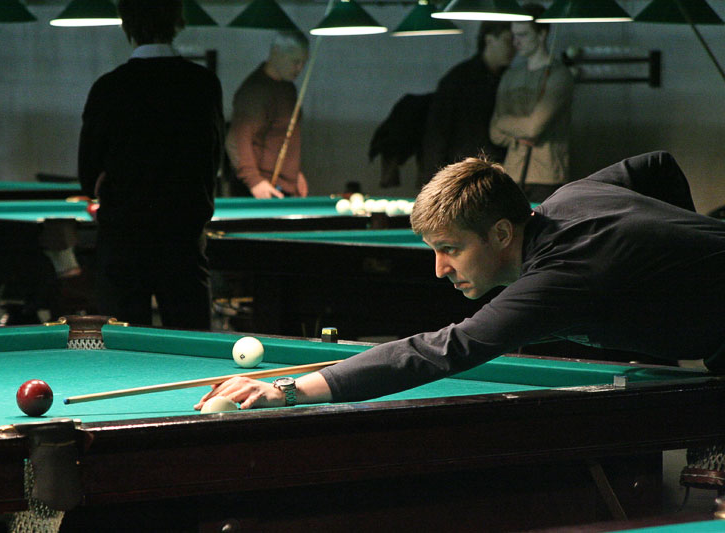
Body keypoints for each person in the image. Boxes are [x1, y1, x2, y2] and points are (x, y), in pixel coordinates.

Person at [195, 151, 725, 410]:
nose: (439, 269)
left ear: (501, 233)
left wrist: (287, 390)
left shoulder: (560, 276)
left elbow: (445, 350)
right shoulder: (567, 201)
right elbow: (656, 167)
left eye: (450, 249)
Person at [78, 0, 224, 329]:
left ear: (126, 24)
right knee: (190, 345)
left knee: (121, 346)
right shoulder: (203, 84)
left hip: (123, 241)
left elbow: (87, 176)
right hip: (183, 239)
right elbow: (212, 161)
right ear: (177, 22)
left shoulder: (108, 88)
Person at [489, 3, 573, 203]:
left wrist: (511, 126)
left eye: (523, 35)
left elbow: (533, 128)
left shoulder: (559, 75)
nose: (516, 42)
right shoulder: (510, 76)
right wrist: (521, 132)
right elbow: (494, 131)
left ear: (542, 34)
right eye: (514, 35)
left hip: (548, 176)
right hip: (513, 174)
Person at [417, 21, 515, 187]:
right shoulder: (459, 79)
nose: (514, 46)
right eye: (508, 40)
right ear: (489, 39)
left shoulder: (510, 79)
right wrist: (432, 182)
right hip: (461, 175)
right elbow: (437, 134)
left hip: (496, 174)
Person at [225, 31, 309, 199]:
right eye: (295, 61)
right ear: (276, 52)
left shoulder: (288, 88)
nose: (299, 68)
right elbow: (235, 141)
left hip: (281, 186)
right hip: (259, 190)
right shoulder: (255, 91)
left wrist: (293, 174)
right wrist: (254, 181)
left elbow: (281, 136)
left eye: (303, 62)